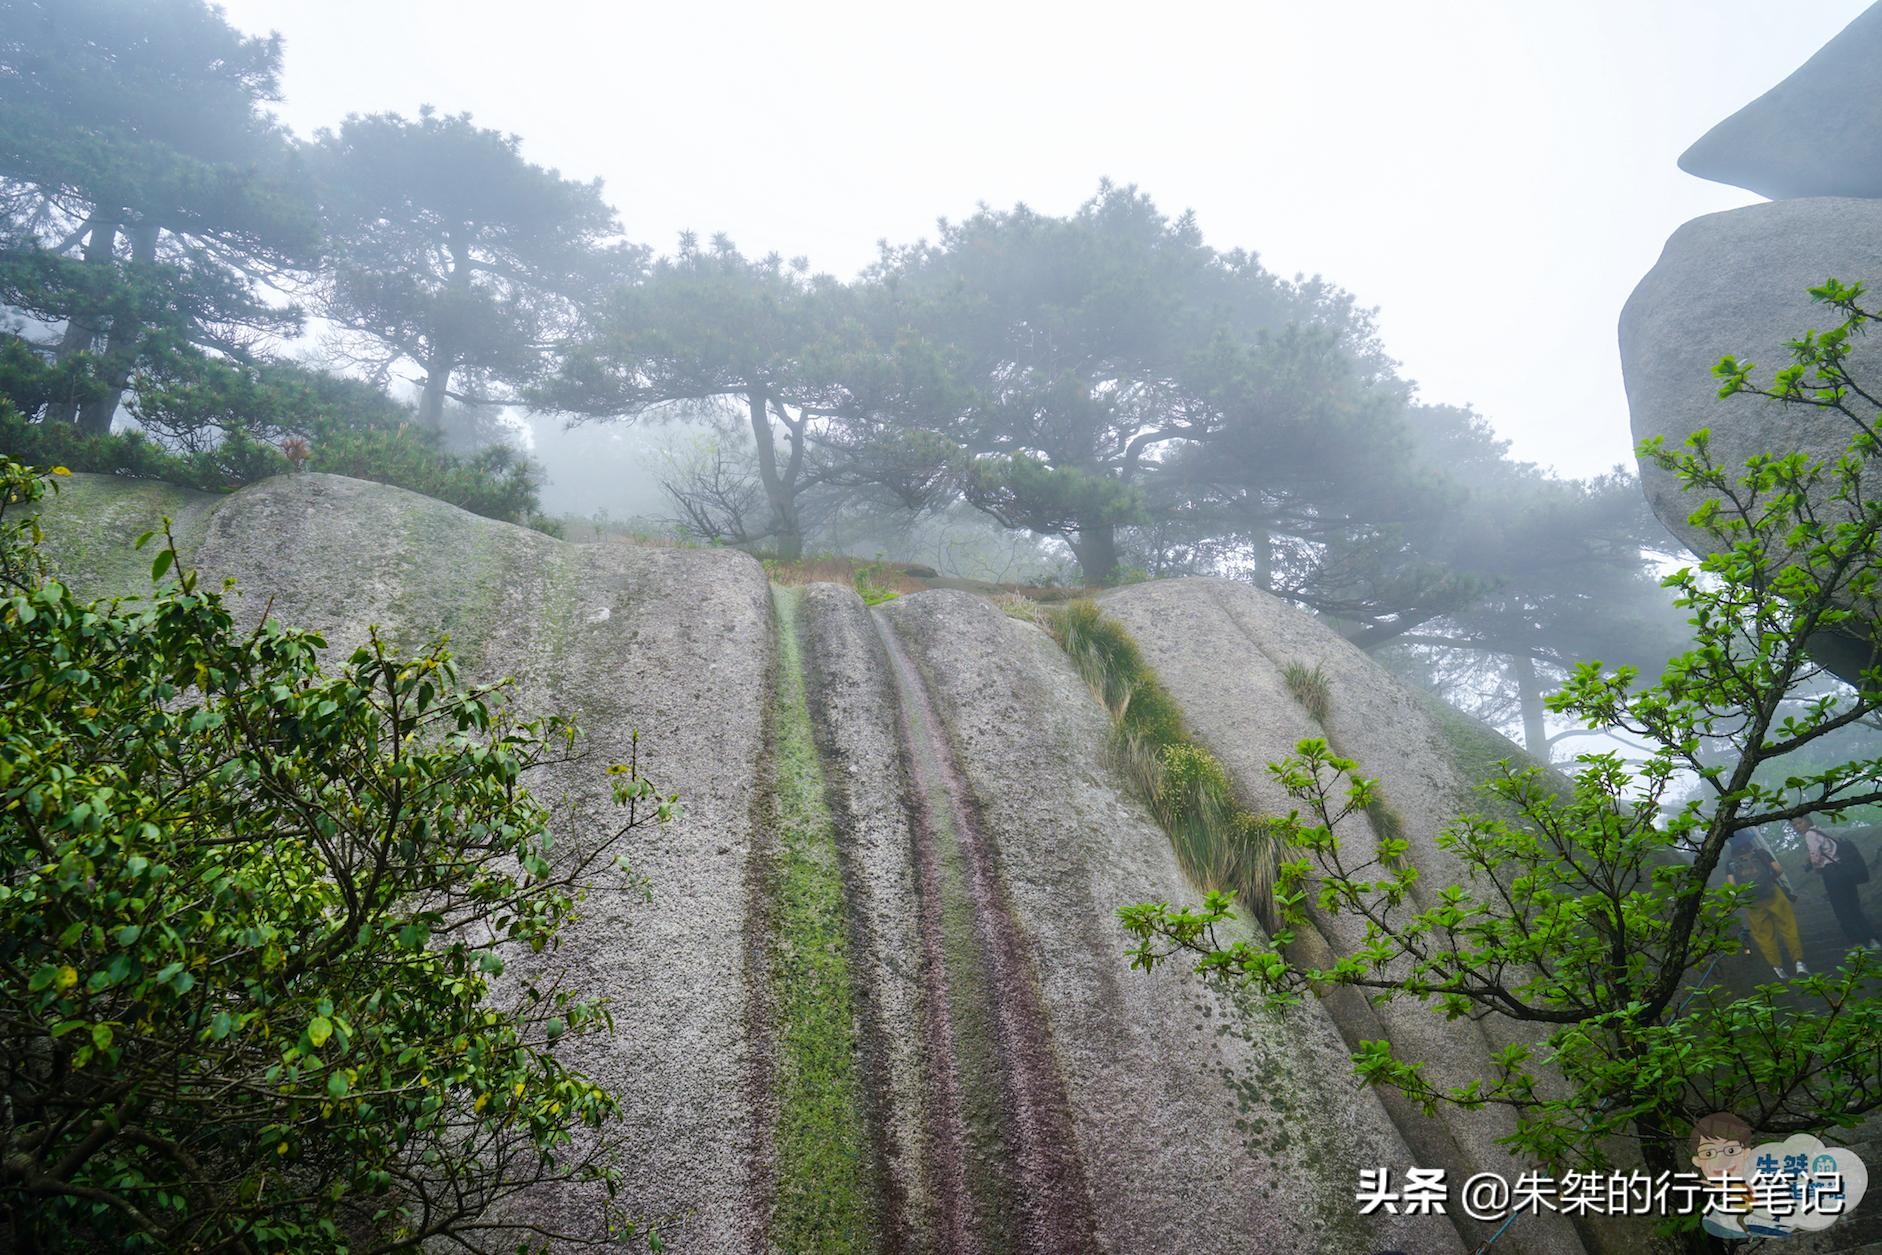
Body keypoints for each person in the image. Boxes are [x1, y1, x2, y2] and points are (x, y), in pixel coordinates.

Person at [1726, 830, 1808, 980]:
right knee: (1788, 927)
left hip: (1752, 902)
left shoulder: (1730, 863)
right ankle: (1799, 963)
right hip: (1773, 894)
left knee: (1764, 935)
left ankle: (1777, 969)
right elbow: (1778, 869)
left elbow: (1732, 888)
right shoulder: (1761, 853)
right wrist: (1768, 879)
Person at [1794, 814, 1880, 952]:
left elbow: (1815, 856)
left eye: (1800, 823)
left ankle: (1858, 943)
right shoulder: (1823, 831)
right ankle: (1872, 940)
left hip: (1831, 874)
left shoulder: (1810, 834)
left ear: (1807, 821)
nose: (1798, 827)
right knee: (1854, 906)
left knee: (1842, 910)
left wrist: (1816, 868)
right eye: (1795, 825)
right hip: (1844, 871)